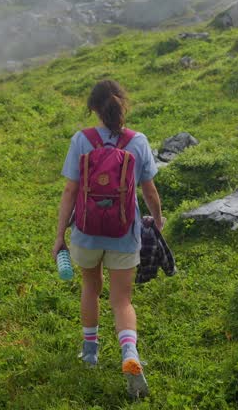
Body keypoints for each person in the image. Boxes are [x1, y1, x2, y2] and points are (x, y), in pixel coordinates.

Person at [52, 79, 164, 399]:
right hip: (124, 232)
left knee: (90, 287)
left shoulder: (81, 140)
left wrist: (60, 235)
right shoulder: (138, 141)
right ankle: (130, 355)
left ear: (93, 109)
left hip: (87, 233)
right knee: (122, 300)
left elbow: (70, 191)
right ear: (122, 105)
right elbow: (150, 191)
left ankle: (90, 353)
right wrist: (156, 221)